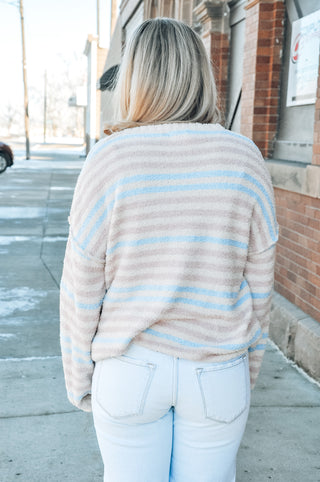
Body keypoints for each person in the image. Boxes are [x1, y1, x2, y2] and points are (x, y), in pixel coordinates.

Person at [60, 17, 278, 482]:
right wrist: (245, 370)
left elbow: (81, 286)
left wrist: (81, 378)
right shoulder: (245, 157)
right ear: (201, 74)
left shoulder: (109, 159)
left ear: (135, 78)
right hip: (218, 369)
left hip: (129, 367)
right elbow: (260, 288)